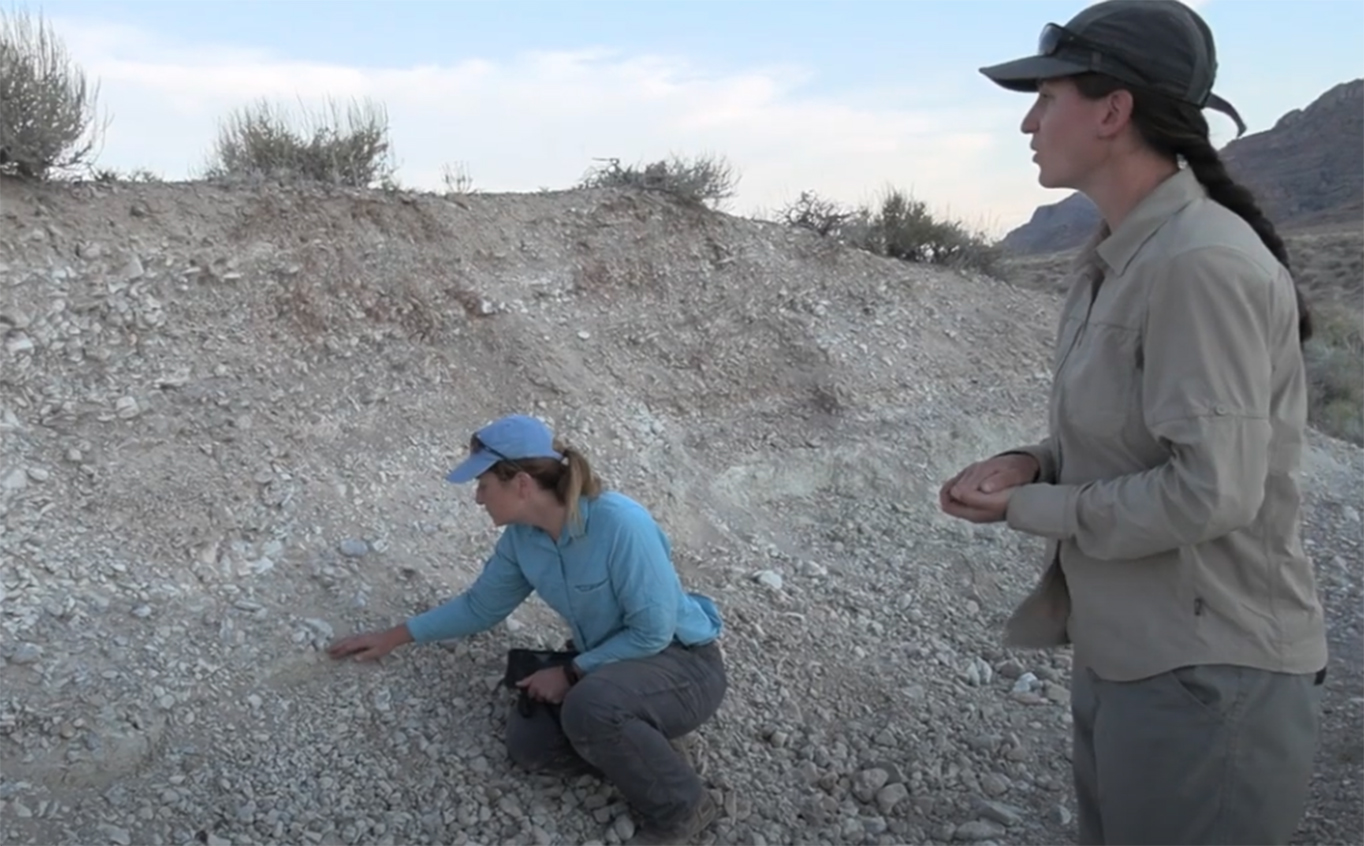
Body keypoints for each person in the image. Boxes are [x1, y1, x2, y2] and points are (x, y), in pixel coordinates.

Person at [939, 1, 1329, 844]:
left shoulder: (1198, 264)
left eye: (1047, 97)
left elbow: (1208, 493)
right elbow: (1135, 433)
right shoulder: (1123, 255)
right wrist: (1030, 464)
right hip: (1138, 658)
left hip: (1209, 678)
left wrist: (1030, 509)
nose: (1028, 121)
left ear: (1113, 112)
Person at [327, 413, 727, 845]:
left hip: (682, 665)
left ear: (520, 483)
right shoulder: (523, 539)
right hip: (614, 667)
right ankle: (642, 741)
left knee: (590, 707)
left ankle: (683, 808)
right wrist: (393, 637)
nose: (478, 498)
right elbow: (481, 607)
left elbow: (652, 631)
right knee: (531, 746)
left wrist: (572, 673)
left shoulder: (620, 523)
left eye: (483, 485)